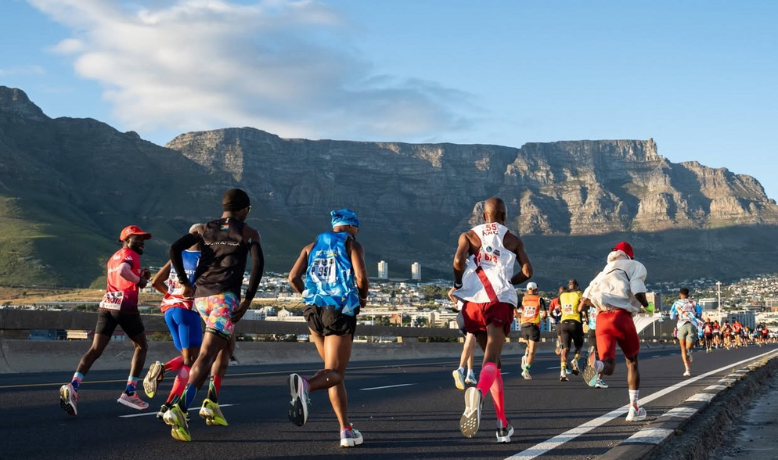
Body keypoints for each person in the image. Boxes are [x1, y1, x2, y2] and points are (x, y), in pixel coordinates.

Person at [162, 189, 264, 442]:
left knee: (226, 347)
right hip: (224, 299)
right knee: (207, 354)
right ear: (245, 210)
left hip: (201, 299)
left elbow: (174, 248)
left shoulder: (204, 229)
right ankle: (180, 407)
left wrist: (186, 283)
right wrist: (249, 298)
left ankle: (212, 403)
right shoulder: (248, 232)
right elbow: (258, 264)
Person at [449, 197, 532, 443]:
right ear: (504, 216)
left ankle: (502, 425)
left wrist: (457, 283)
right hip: (499, 301)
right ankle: (478, 393)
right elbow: (528, 272)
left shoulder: (468, 236)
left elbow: (457, 261)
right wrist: (510, 282)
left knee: (493, 365)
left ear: (483, 215)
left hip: (473, 302)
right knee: (491, 361)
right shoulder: (513, 239)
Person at [286, 208, 369, 448]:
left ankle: (345, 430)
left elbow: (293, 277)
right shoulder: (351, 245)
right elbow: (362, 279)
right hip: (338, 311)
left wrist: (311, 295)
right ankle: (306, 385)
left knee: (331, 373)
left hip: (313, 311)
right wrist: (362, 299)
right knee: (336, 372)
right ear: (351, 227)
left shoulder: (310, 247)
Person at [59, 225, 153, 416]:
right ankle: (129, 392)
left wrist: (139, 277)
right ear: (126, 240)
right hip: (125, 306)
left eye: (143, 238)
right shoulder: (129, 254)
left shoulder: (113, 257)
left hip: (107, 305)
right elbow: (123, 271)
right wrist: (139, 281)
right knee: (141, 346)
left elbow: (121, 273)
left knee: (95, 350)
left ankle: (73, 386)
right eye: (138, 238)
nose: (142, 241)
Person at [579, 241, 650, 422]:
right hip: (621, 317)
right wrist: (646, 305)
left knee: (608, 365)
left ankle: (596, 366)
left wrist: (592, 304)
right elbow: (637, 288)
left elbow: (583, 301)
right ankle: (633, 408)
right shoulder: (634, 265)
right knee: (632, 362)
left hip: (602, 319)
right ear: (629, 255)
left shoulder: (604, 271)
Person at [144, 225, 205, 420]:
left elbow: (155, 283)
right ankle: (164, 371)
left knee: (189, 358)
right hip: (187, 311)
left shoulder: (176, 257)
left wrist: (173, 295)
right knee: (191, 361)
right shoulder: (203, 258)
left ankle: (167, 405)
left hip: (169, 309)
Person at [516, 282, 546, 380]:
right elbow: (545, 314)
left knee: (529, 346)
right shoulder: (539, 299)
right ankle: (526, 370)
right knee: (532, 351)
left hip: (524, 325)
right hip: (533, 327)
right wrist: (543, 319)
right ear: (536, 289)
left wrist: (519, 318)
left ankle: (525, 356)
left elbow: (514, 308)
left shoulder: (523, 299)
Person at [558, 279, 585, 381]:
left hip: (564, 323)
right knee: (578, 346)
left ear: (569, 286)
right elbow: (580, 308)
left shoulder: (562, 295)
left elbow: (560, 308)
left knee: (565, 348)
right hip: (575, 322)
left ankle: (563, 373)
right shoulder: (579, 293)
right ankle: (575, 359)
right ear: (576, 286)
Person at [669, 288, 699, 377]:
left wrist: (679, 315)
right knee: (689, 346)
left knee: (682, 348)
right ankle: (689, 351)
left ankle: (687, 369)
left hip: (681, 325)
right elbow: (699, 314)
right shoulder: (694, 303)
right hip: (692, 325)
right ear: (688, 295)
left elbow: (672, 317)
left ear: (680, 295)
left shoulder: (676, 303)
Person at [453, 302, 479, 389]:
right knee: (469, 340)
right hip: (470, 315)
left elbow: (450, 293)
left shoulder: (463, 290)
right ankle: (460, 369)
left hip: (461, 316)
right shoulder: (476, 290)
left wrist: (456, 302)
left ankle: (470, 373)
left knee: (472, 343)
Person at [586, 304, 607, 388]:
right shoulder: (603, 302)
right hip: (601, 329)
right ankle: (599, 380)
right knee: (604, 355)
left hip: (591, 329)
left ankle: (592, 372)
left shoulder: (591, 302)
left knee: (594, 353)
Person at [548, 286, 564, 354]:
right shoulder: (567, 300)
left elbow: (550, 312)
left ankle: (560, 344)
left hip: (559, 322)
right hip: (564, 321)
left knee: (560, 335)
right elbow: (550, 312)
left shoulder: (554, 301)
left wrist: (554, 317)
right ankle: (561, 345)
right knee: (562, 335)